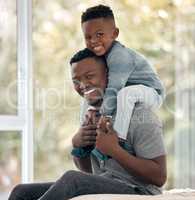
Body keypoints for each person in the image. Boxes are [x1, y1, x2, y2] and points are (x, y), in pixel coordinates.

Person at [8, 49, 167, 200]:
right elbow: (89, 173)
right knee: (21, 192)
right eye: (76, 81)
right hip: (108, 182)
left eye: (89, 76)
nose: (82, 85)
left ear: (109, 75)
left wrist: (115, 150)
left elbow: (159, 177)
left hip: (139, 190)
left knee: (72, 179)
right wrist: (79, 146)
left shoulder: (140, 115)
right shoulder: (95, 115)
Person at [81, 4, 165, 141]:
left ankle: (118, 138)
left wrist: (104, 115)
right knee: (89, 94)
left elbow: (114, 87)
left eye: (99, 34)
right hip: (124, 91)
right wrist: (91, 108)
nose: (94, 41)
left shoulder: (119, 56)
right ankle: (86, 135)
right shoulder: (97, 57)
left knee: (126, 94)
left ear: (114, 34)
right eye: (88, 37)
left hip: (151, 93)